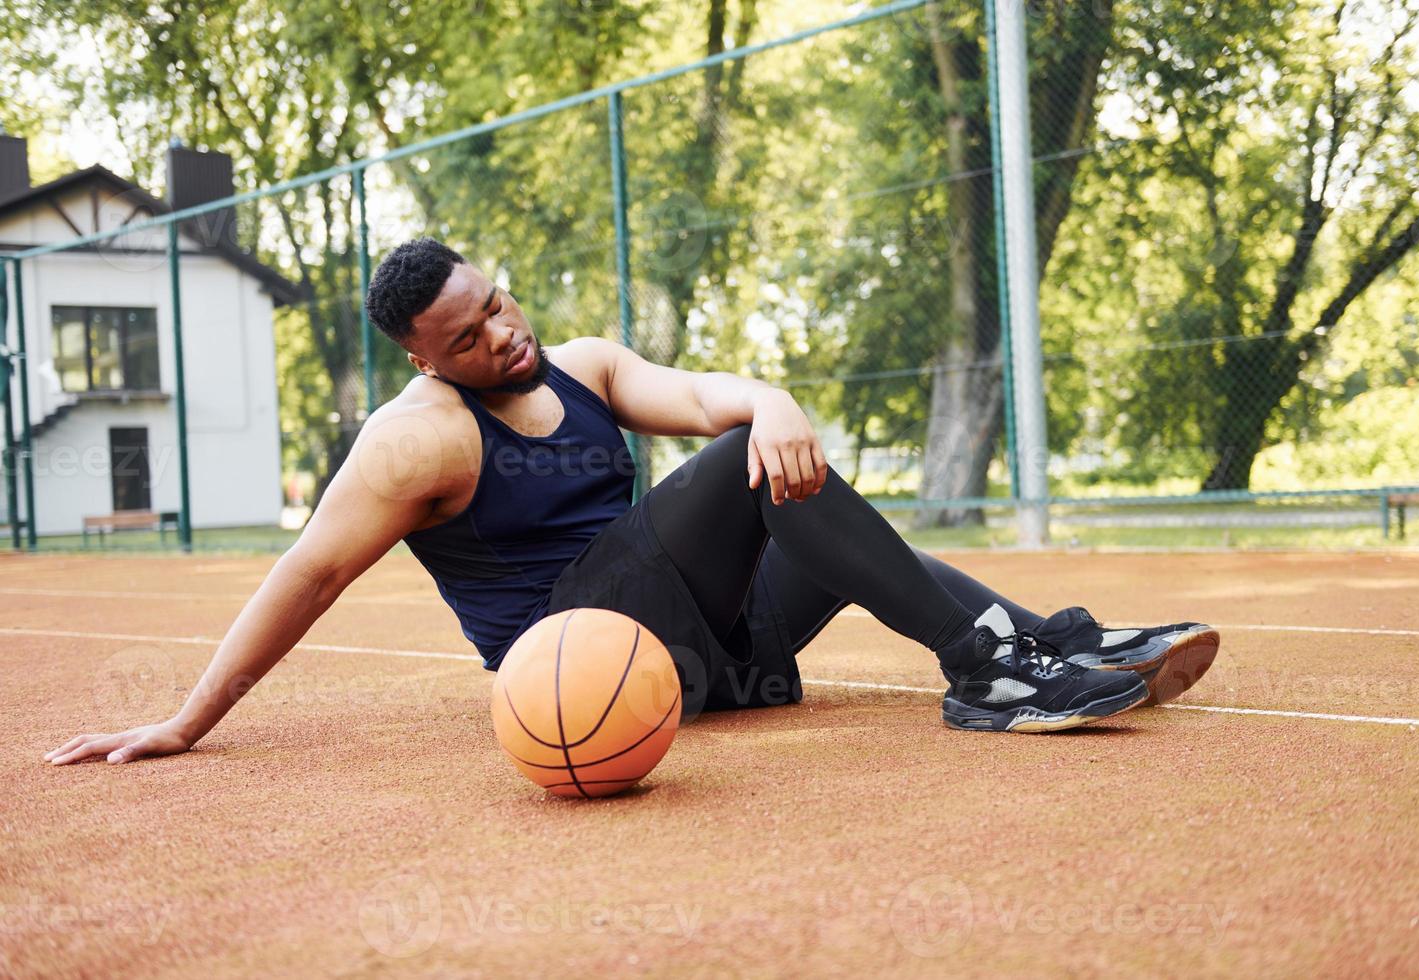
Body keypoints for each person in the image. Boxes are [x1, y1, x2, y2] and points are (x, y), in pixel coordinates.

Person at [45, 238, 1219, 766]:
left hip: (714, 654)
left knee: (796, 477)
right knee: (741, 469)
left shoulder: (590, 364)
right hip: (584, 662)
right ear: (425, 359)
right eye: (471, 334)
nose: (505, 333)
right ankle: (993, 674)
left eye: (499, 304)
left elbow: (705, 391)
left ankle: (1034, 644)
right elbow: (306, 573)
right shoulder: (413, 442)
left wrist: (768, 393)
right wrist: (190, 720)